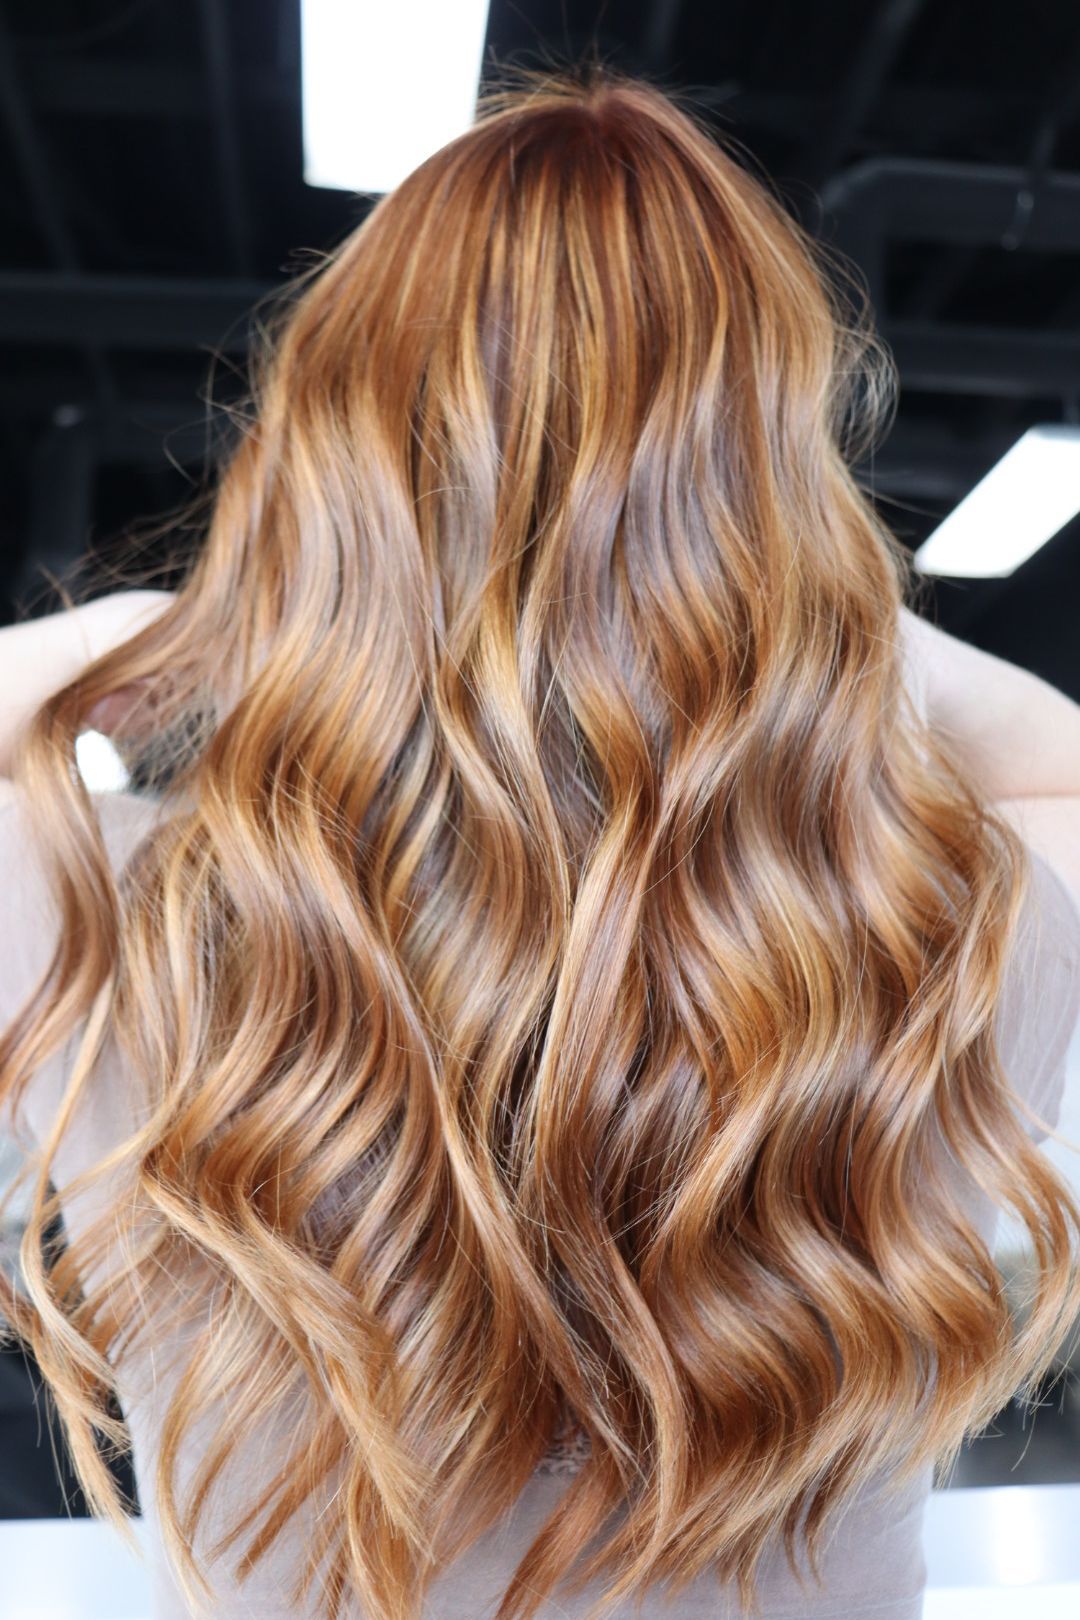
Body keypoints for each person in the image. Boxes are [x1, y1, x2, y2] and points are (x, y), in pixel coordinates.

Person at [2, 62, 1080, 1620]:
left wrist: (201, 619)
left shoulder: (105, 914)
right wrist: (812, 629)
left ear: (324, 474)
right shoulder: (943, 925)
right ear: (781, 489)